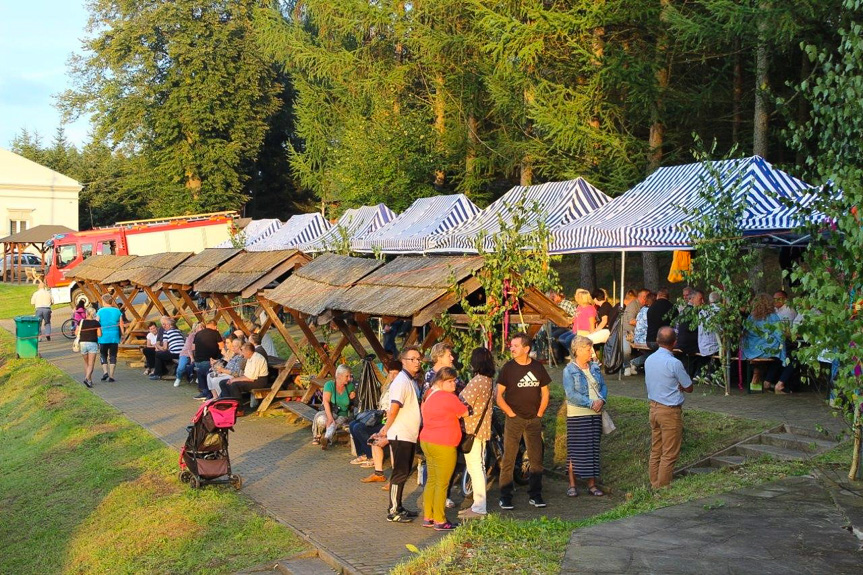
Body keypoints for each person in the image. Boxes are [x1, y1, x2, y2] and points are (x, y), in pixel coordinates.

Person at [497, 333, 551, 510]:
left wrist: (540, 412)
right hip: (514, 420)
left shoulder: (537, 368)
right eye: (511, 345)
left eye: (515, 346)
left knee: (536, 459)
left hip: (533, 420)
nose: (511, 348)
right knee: (509, 459)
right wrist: (510, 413)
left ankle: (535, 495)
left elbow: (545, 392)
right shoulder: (508, 368)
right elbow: (498, 396)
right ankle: (505, 496)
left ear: (526, 349)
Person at [372, 346, 424, 523]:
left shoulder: (410, 381)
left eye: (418, 359)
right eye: (412, 359)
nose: (416, 362)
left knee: (404, 471)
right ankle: (393, 510)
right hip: (400, 433)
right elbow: (394, 408)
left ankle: (399, 506)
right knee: (399, 472)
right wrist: (386, 428)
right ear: (403, 361)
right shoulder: (401, 381)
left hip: (409, 433)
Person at [420, 366, 468, 531]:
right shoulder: (450, 397)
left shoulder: (430, 395)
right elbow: (465, 412)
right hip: (444, 444)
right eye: (450, 381)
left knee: (432, 480)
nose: (453, 384)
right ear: (441, 381)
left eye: (454, 380)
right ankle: (440, 520)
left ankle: (428, 516)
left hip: (427, 440)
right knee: (442, 483)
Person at [645, 326, 693, 488]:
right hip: (670, 411)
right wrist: (678, 384)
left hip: (653, 408)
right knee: (669, 452)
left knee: (656, 449)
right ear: (674, 342)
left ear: (657, 341)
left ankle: (654, 483)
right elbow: (689, 386)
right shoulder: (674, 363)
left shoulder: (649, 360)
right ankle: (662, 487)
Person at [563, 336, 607, 497]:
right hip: (577, 415)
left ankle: (592, 484)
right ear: (579, 350)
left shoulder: (594, 367)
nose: (592, 352)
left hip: (595, 414)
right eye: (588, 349)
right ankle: (572, 484)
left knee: (593, 449)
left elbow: (603, 387)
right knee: (576, 450)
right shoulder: (569, 370)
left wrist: (601, 400)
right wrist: (590, 403)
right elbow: (571, 394)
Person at [457, 347, 496, 519]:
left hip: (473, 430)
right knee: (477, 466)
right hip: (482, 429)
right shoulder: (488, 380)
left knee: (475, 467)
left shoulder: (478, 381)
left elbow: (461, 403)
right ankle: (477, 506)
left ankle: (479, 507)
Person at [353, 361, 402, 481]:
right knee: (366, 432)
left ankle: (394, 479)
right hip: (384, 420)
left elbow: (395, 411)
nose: (392, 376)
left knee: (366, 431)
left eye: (395, 373)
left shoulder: (401, 387)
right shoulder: (389, 386)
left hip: (395, 423)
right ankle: (378, 473)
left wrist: (385, 430)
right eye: (390, 373)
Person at [742, 293, 794, 394]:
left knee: (776, 359)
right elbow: (780, 335)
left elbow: (745, 333)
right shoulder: (773, 317)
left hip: (750, 351)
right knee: (789, 359)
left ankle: (767, 382)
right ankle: (779, 384)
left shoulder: (750, 317)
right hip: (766, 350)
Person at [312, 364, 357, 449]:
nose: (349, 378)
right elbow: (326, 401)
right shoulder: (329, 385)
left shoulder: (350, 386)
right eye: (347, 376)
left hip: (343, 414)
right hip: (330, 411)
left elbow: (354, 403)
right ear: (339, 376)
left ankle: (326, 438)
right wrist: (329, 417)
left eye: (350, 376)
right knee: (322, 420)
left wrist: (353, 397)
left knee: (335, 423)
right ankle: (317, 435)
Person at [218, 342, 269, 415]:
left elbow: (251, 378)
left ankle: (240, 410)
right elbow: (246, 375)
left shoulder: (257, 358)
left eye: (243, 351)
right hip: (252, 378)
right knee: (223, 383)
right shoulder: (249, 358)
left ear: (248, 351)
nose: (242, 353)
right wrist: (233, 379)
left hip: (259, 381)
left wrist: (234, 380)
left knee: (234, 385)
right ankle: (229, 405)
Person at [626, 291, 656, 375]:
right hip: (644, 339)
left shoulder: (642, 309)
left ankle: (635, 363)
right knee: (657, 350)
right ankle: (634, 362)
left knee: (653, 352)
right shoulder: (650, 311)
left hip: (638, 337)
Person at [96, 294, 124, 382]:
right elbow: (121, 324)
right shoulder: (118, 311)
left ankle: (105, 372)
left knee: (103, 354)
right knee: (113, 355)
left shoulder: (100, 311)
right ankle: (111, 376)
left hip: (103, 336)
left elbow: (96, 323)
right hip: (114, 336)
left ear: (103, 301)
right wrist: (123, 335)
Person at [193, 319, 223, 400]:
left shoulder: (198, 333)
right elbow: (221, 347)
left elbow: (193, 347)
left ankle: (204, 393)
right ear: (215, 326)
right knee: (209, 374)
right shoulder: (215, 333)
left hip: (197, 361)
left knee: (201, 373)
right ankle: (210, 394)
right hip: (209, 361)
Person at [547, 291, 576, 363]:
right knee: (543, 334)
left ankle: (557, 359)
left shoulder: (567, 303)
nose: (552, 299)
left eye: (553, 297)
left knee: (553, 336)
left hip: (565, 327)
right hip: (555, 326)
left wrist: (568, 320)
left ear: (559, 296)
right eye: (551, 297)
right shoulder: (553, 305)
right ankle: (545, 357)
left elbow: (575, 316)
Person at [76, 306, 101, 388]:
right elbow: (99, 334)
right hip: (92, 344)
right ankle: (87, 378)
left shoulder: (81, 321)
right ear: (94, 314)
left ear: (86, 313)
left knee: (86, 363)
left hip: (83, 343)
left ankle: (89, 380)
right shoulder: (96, 323)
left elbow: (76, 333)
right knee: (91, 364)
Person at [174, 322, 202, 388]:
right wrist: (192, 358)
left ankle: (199, 378)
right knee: (181, 367)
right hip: (186, 353)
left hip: (197, 355)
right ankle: (178, 378)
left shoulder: (203, 336)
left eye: (203, 327)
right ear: (196, 329)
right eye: (201, 327)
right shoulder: (192, 336)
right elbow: (189, 348)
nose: (202, 329)